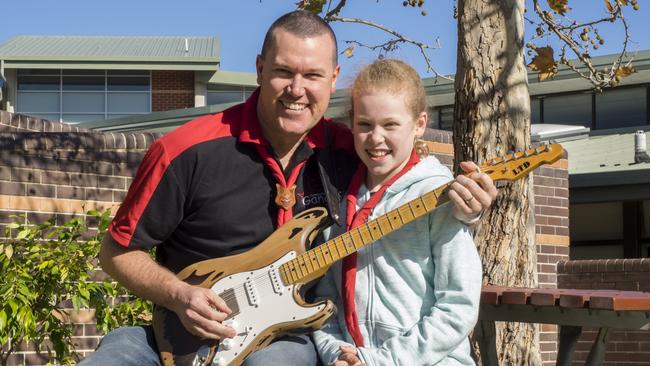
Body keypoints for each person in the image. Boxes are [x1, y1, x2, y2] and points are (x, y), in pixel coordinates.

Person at [80, 10, 496, 366]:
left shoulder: (345, 152)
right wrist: (178, 294)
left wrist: (464, 197)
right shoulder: (185, 150)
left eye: (312, 75)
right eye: (283, 72)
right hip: (185, 334)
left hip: (288, 334)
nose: (297, 90)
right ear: (260, 69)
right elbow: (116, 252)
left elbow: (403, 168)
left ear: (332, 79)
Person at [312, 59, 482, 366]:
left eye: (390, 125)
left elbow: (458, 306)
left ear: (419, 124)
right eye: (364, 124)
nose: (376, 138)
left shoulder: (439, 198)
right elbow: (325, 300)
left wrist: (381, 361)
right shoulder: (338, 201)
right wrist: (336, 353)